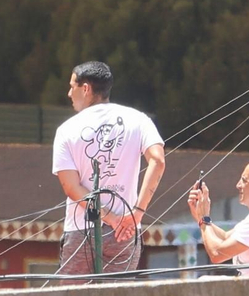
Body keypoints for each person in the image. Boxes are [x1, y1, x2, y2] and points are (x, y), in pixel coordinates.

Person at [52, 61, 166, 282]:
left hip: (81, 229)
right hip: (125, 232)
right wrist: (136, 214)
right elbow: (158, 161)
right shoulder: (139, 120)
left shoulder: (66, 130)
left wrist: (111, 218)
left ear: (86, 88)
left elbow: (71, 188)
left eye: (72, 86)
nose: (69, 93)